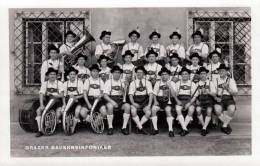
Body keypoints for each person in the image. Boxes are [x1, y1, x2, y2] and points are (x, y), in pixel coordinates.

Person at [35, 68, 65, 137]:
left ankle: (52, 126)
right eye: (51, 74)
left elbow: (62, 95)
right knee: (38, 111)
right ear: (48, 76)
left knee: (58, 113)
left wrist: (54, 95)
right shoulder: (45, 84)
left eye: (54, 74)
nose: (52, 76)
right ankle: (40, 130)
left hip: (57, 102)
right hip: (48, 102)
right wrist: (42, 104)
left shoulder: (59, 83)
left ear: (56, 76)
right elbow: (41, 94)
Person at [103, 66, 131, 135]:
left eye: (119, 72)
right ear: (112, 73)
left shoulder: (123, 81)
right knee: (110, 107)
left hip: (121, 100)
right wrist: (112, 102)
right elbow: (105, 95)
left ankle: (124, 127)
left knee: (127, 106)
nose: (117, 74)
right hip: (111, 99)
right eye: (115, 72)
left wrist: (127, 86)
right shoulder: (108, 82)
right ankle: (110, 127)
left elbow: (126, 94)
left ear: (120, 74)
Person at [151, 67, 178, 137]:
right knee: (153, 109)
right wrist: (155, 101)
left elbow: (174, 95)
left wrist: (170, 86)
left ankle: (170, 130)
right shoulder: (157, 83)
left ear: (169, 75)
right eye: (162, 74)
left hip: (168, 100)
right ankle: (155, 129)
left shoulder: (172, 83)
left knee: (168, 110)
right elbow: (154, 93)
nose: (164, 76)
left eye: (165, 74)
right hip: (159, 100)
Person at [213, 64, 238, 135]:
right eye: (220, 71)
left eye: (223, 71)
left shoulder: (231, 80)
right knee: (217, 110)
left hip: (228, 98)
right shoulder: (216, 80)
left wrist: (228, 88)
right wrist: (216, 98)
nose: (221, 72)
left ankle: (224, 125)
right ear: (218, 72)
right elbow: (213, 92)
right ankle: (226, 123)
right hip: (219, 98)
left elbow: (235, 93)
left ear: (227, 72)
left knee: (232, 110)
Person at [128, 66, 153, 135]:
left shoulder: (148, 82)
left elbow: (151, 94)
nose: (139, 74)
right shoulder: (133, 83)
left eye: (141, 72)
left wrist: (149, 105)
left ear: (144, 74)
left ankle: (138, 126)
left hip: (145, 100)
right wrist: (133, 103)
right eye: (137, 72)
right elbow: (130, 95)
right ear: (135, 73)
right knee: (133, 111)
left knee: (148, 113)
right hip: (136, 100)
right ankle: (141, 128)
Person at [175, 67, 198, 136]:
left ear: (188, 75)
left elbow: (195, 96)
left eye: (186, 74)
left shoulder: (192, 83)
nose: (184, 75)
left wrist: (189, 103)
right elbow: (175, 95)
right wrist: (178, 101)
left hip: (189, 100)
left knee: (191, 110)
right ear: (181, 75)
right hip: (180, 99)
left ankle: (183, 128)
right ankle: (185, 129)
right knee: (177, 109)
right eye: (183, 74)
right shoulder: (178, 83)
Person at [63, 67, 85, 134]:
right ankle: (67, 125)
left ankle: (73, 128)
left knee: (77, 111)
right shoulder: (65, 83)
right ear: (68, 76)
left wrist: (76, 98)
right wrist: (64, 104)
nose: (72, 76)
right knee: (64, 111)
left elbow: (83, 95)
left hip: (78, 100)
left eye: (74, 74)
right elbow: (64, 96)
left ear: (76, 75)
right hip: (68, 100)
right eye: (71, 74)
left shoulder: (80, 82)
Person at [195, 67, 216, 136]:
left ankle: (203, 128)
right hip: (200, 100)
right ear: (199, 75)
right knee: (198, 110)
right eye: (201, 74)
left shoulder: (210, 82)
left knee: (209, 111)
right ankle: (204, 126)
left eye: (204, 73)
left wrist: (208, 92)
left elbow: (214, 93)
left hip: (209, 100)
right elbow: (195, 95)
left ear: (206, 75)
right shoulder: (197, 83)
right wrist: (197, 100)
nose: (203, 75)